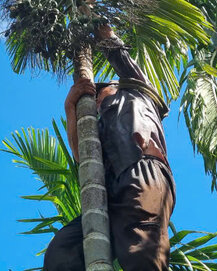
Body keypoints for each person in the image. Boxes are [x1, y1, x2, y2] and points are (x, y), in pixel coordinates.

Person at [43, 24, 175, 271]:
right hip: (109, 194)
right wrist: (70, 108)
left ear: (116, 88)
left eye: (100, 95)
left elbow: (122, 57)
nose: (96, 102)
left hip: (141, 167)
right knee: (62, 250)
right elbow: (83, 157)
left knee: (142, 254)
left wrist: (98, 26)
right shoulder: (99, 128)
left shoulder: (136, 93)